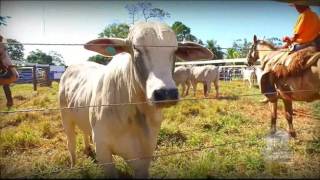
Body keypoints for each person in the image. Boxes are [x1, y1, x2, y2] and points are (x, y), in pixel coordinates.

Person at [259, 3, 320, 104]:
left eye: (296, 6)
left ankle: (270, 92)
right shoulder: (315, 16)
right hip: (313, 45)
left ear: (300, 5)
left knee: (274, 62)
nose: (295, 8)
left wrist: (287, 39)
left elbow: (296, 36)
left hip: (301, 46)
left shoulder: (303, 15)